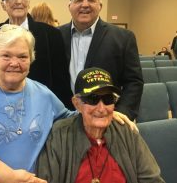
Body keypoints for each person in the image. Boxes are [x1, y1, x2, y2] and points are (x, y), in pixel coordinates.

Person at [0, 25, 136, 183]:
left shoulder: (42, 93)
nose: (15, 63)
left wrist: (103, 111)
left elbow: (69, 118)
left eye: (22, 56)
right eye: (6, 55)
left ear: (31, 59)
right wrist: (12, 177)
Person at [37, 67, 165, 183]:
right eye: (93, 99)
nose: (102, 108)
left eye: (108, 99)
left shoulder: (126, 131)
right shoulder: (59, 135)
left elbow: (152, 179)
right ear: (77, 104)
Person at [0, 0, 73, 109]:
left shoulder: (51, 34)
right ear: (3, 5)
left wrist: (63, 115)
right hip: (3, 107)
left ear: (29, 1)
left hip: (42, 108)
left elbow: (61, 80)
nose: (18, 1)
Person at [59, 0, 143, 120]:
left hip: (105, 117)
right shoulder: (56, 36)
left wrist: (122, 113)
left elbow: (134, 82)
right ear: (69, 6)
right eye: (79, 0)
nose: (85, 5)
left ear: (100, 6)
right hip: (64, 118)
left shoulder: (123, 37)